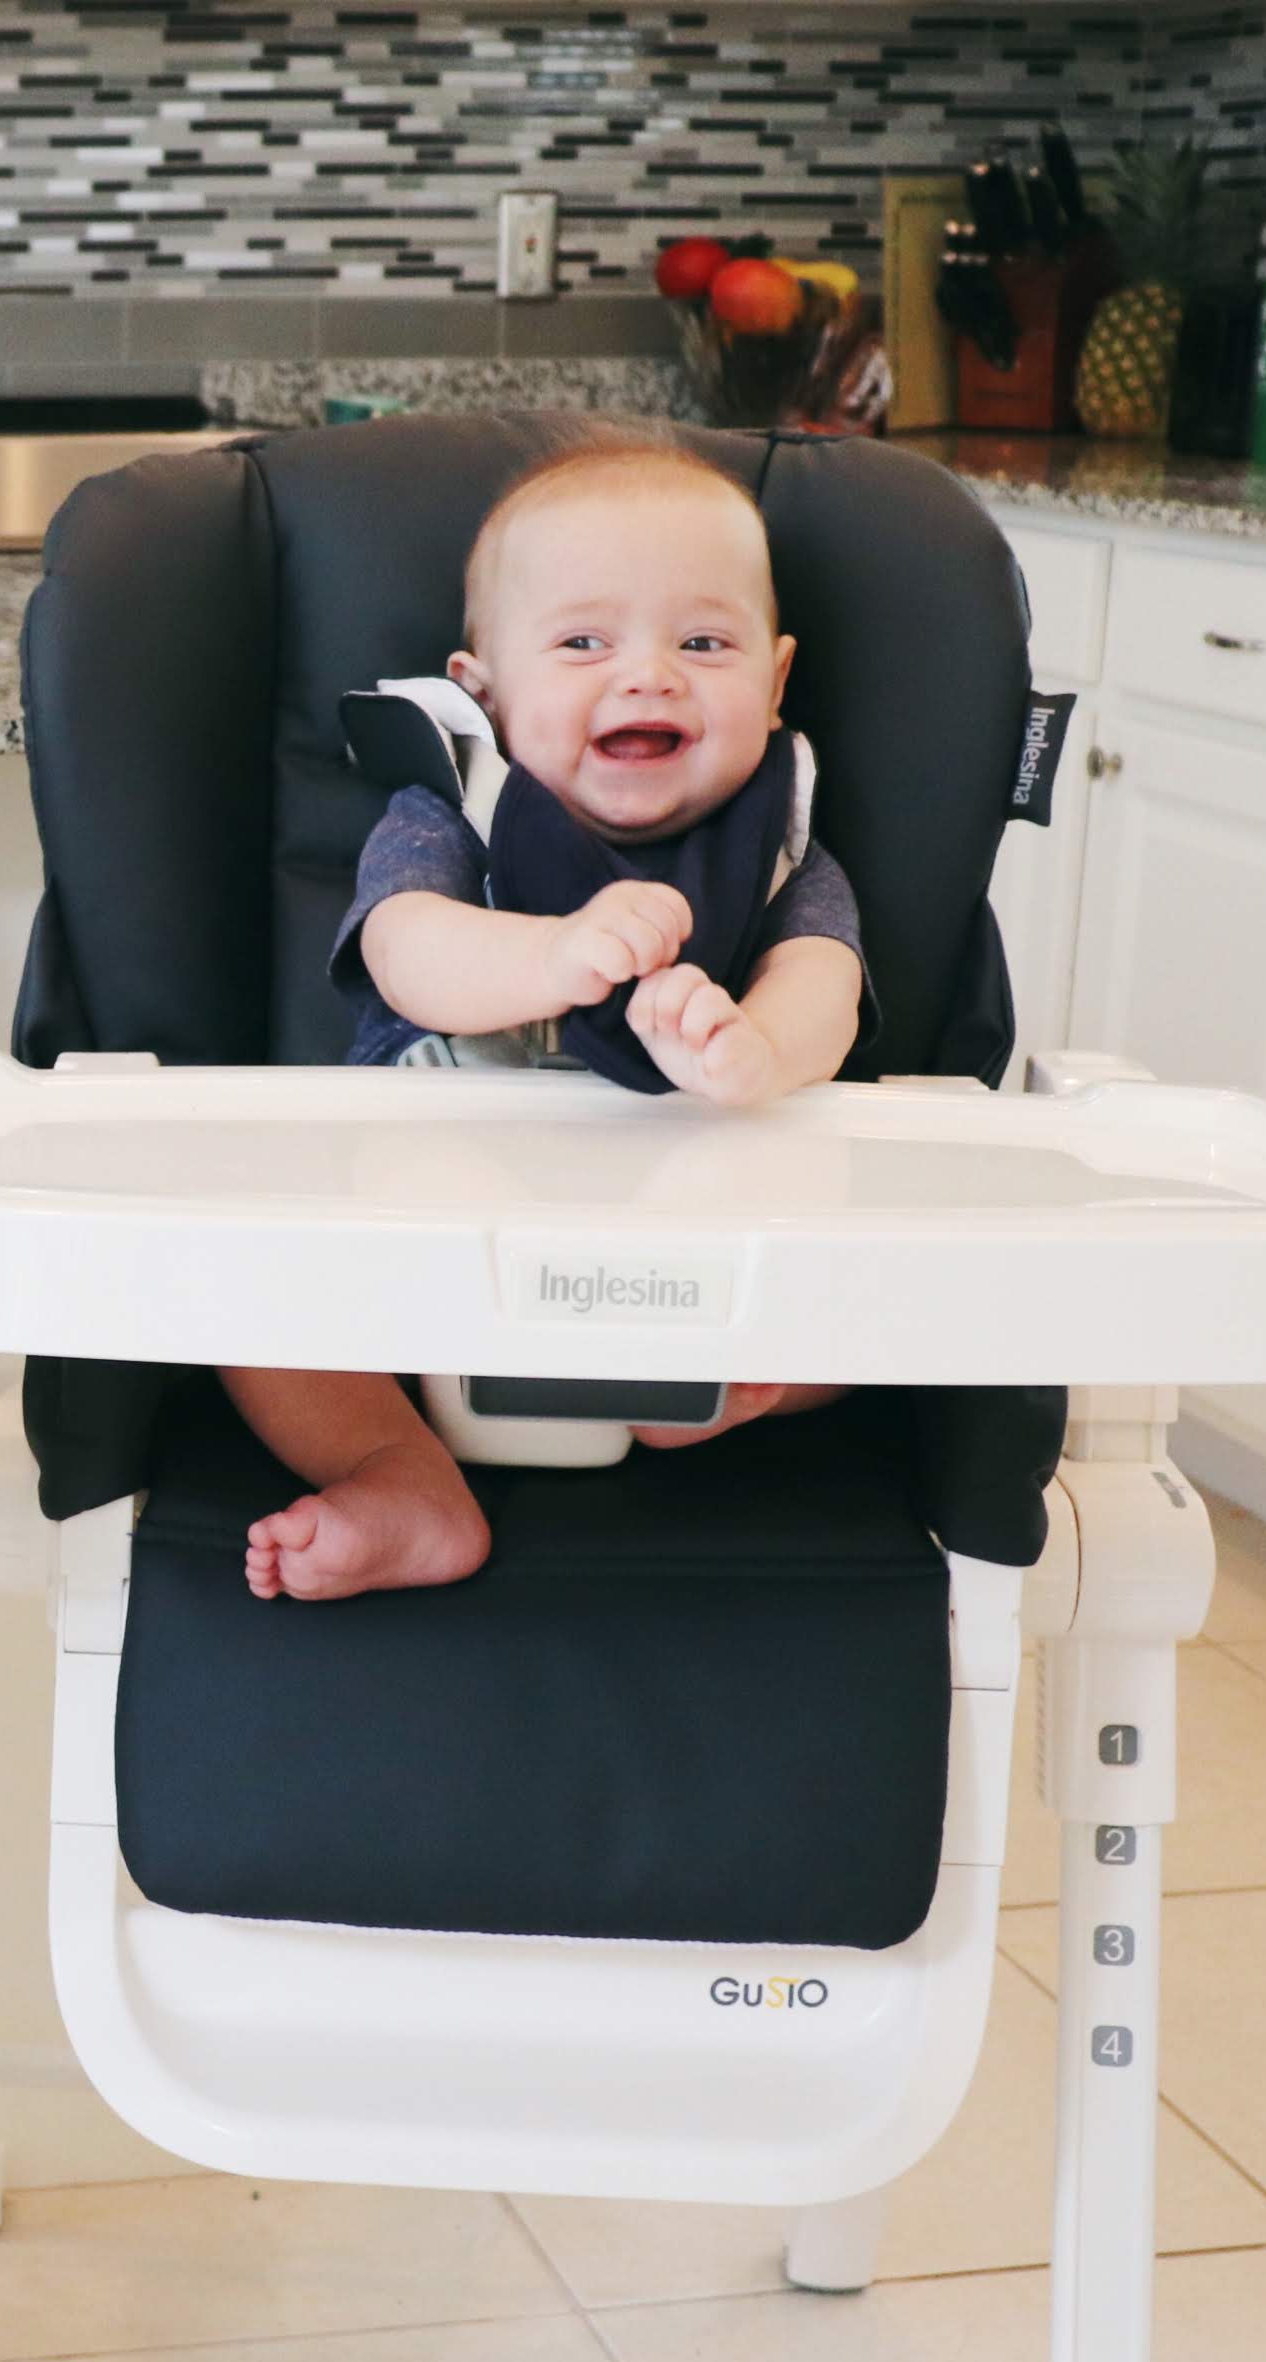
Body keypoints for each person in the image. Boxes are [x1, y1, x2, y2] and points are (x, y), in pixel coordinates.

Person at [237, 429, 865, 1603]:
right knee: (247, 1294)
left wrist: (752, 1050)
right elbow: (405, 952)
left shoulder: (777, 852)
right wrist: (555, 952)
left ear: (775, 682)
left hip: (694, 1255)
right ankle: (400, 1471)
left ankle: (736, 1394)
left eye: (704, 641)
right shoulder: (452, 819)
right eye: (584, 641)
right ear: (482, 689)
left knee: (887, 1301)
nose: (650, 673)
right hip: (429, 1244)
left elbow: (824, 981)